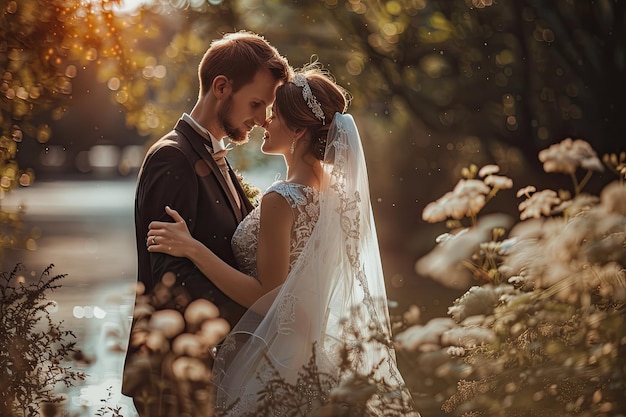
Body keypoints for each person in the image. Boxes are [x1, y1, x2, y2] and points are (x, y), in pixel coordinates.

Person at [147, 65, 417, 416]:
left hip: (277, 358)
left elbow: (268, 297)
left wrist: (192, 248)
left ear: (299, 129)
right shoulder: (331, 196)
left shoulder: (282, 199)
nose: (264, 122)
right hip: (315, 351)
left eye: (273, 116)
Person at [121, 31, 291, 417]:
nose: (263, 118)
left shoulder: (218, 158)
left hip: (212, 366)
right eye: (256, 103)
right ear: (221, 87)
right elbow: (170, 276)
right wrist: (254, 323)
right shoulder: (172, 159)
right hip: (173, 373)